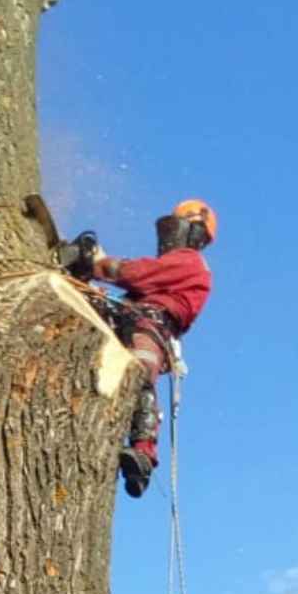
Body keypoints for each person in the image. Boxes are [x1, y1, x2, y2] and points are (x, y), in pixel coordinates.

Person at [90, 199, 216, 497]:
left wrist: (98, 263)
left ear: (193, 232)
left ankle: (144, 453)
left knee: (139, 369)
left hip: (150, 327)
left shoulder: (189, 262)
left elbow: (136, 273)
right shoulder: (167, 273)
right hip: (128, 321)